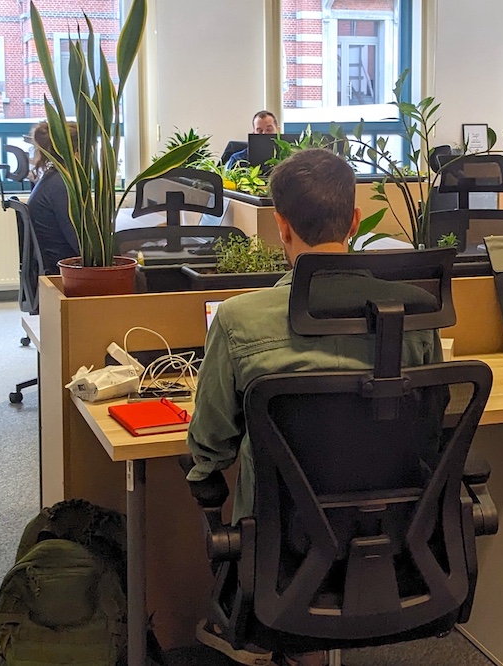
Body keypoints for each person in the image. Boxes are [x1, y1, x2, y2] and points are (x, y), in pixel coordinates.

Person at [186, 149, 442, 666]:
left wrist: (204, 468)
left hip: (283, 552)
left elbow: (211, 446)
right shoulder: (414, 310)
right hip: (394, 539)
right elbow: (430, 427)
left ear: (281, 226)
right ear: (354, 220)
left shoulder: (239, 320)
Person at [26, 121, 80, 273]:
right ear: (76, 151)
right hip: (64, 268)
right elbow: (79, 243)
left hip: (54, 262)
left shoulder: (52, 179)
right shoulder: (61, 185)